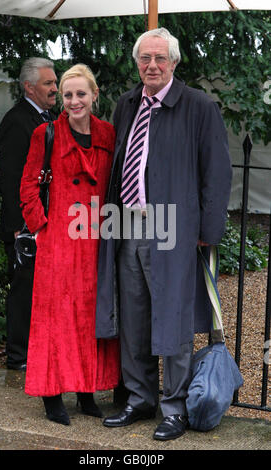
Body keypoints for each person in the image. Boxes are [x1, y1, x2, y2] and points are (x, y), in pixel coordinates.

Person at [95, 28, 232, 440]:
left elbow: (217, 172)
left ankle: (174, 407)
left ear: (174, 62)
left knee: (172, 320)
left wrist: (208, 230)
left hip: (174, 230)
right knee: (134, 317)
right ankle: (139, 399)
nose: (151, 66)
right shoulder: (126, 104)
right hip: (128, 227)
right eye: (144, 59)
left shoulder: (198, 106)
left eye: (159, 58)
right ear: (137, 63)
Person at [19, 64, 120, 425]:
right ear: (61, 98)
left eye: (81, 93)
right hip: (59, 243)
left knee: (88, 317)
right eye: (68, 94)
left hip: (95, 241)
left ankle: (87, 391)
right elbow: (28, 188)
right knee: (55, 319)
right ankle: (51, 396)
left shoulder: (108, 134)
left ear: (94, 95)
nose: (74, 101)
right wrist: (43, 228)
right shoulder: (45, 134)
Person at [0, 58, 58, 371]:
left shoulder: (53, 117)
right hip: (24, 225)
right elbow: (10, 179)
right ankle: (18, 356)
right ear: (29, 87)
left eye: (54, 82)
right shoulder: (16, 121)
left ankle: (37, 349)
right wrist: (21, 227)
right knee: (23, 289)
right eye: (48, 83)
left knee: (42, 289)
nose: (55, 89)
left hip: (47, 221)